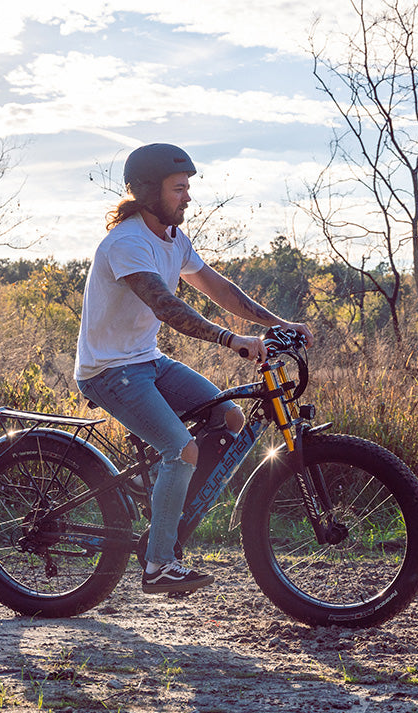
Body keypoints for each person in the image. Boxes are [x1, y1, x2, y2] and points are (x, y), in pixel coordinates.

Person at [75, 143, 313, 595]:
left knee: (228, 418)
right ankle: (159, 564)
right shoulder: (126, 242)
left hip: (146, 361)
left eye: (187, 188)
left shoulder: (172, 239)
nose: (187, 198)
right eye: (178, 189)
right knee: (181, 450)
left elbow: (217, 288)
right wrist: (231, 340)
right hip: (109, 371)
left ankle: (165, 505)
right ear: (148, 191)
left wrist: (278, 324)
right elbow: (165, 305)